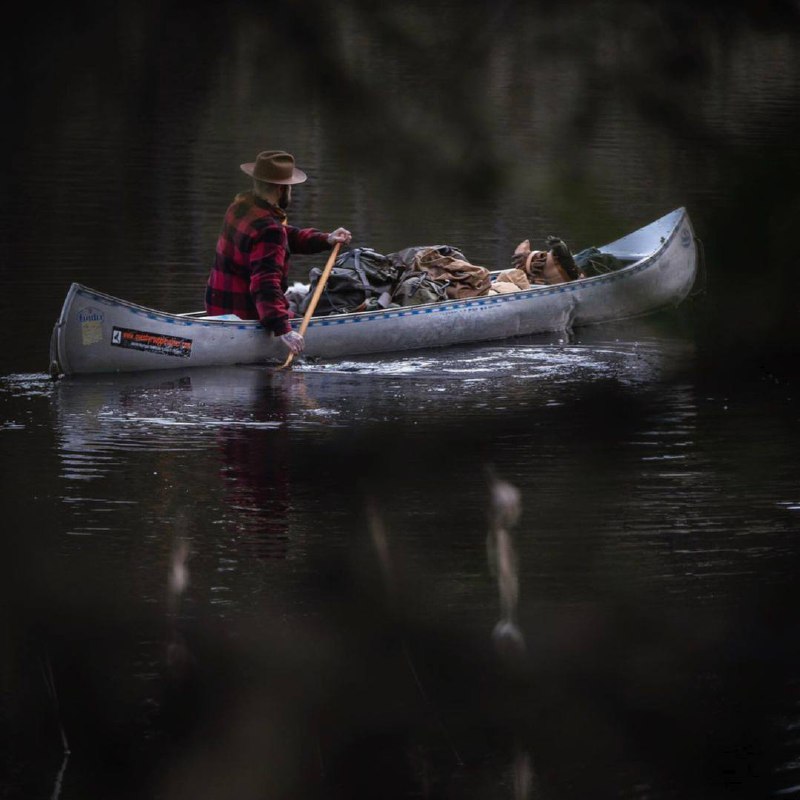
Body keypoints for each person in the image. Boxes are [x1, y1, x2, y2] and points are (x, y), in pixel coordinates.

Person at [205, 150, 352, 355]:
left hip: (217, 309)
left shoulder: (239, 208)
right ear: (282, 189)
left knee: (292, 303)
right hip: (247, 315)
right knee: (321, 309)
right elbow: (265, 284)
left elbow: (283, 236)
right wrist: (284, 330)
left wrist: (325, 239)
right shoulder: (269, 229)